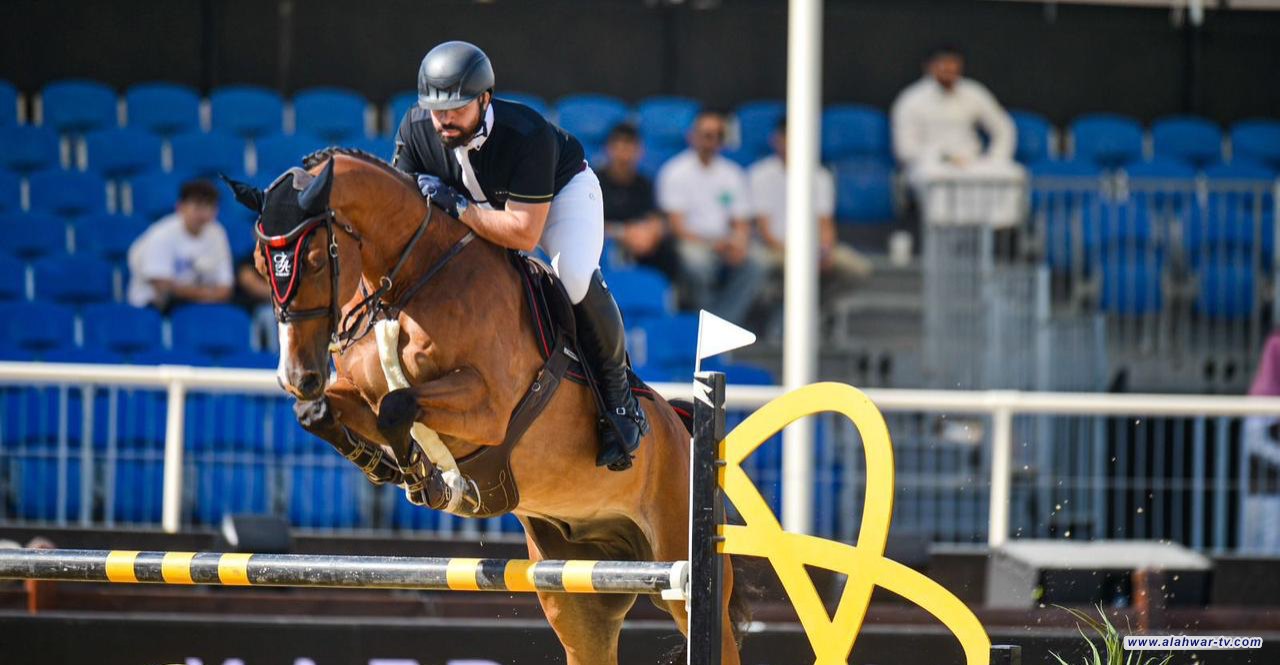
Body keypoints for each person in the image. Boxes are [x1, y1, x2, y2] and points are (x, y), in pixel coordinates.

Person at [392, 41, 645, 470]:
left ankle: (620, 398)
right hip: (483, 206)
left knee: (575, 276)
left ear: (485, 99)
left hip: (558, 198)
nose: (445, 120)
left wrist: (458, 208)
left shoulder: (527, 133)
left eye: (456, 108)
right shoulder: (417, 128)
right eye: (437, 110)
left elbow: (524, 234)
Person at [890, 45, 1025, 228]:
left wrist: (995, 157)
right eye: (943, 67)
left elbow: (1003, 127)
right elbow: (905, 148)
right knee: (935, 180)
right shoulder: (911, 100)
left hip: (971, 162)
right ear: (930, 67)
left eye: (953, 67)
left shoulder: (974, 92)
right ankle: (944, 238)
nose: (949, 72)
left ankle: (997, 235)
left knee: (1012, 174)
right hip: (932, 164)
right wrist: (943, 157)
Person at [655, 109, 767, 325]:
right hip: (691, 241)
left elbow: (741, 220)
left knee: (758, 263)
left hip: (725, 241)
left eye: (717, 136)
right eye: (707, 135)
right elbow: (677, 226)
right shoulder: (675, 171)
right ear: (692, 136)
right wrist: (713, 244)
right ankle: (704, 325)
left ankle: (723, 323)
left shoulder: (733, 174)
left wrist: (738, 242)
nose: (711, 141)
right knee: (698, 263)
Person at [748, 117, 873, 288]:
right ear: (776, 140)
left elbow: (825, 224)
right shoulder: (759, 175)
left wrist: (824, 251)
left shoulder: (821, 176)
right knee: (757, 264)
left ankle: (818, 308)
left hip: (811, 251)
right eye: (786, 137)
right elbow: (764, 229)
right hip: (772, 250)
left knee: (858, 269)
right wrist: (796, 254)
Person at [126, 179, 234, 311]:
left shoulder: (217, 233)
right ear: (180, 207)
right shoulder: (161, 234)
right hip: (153, 306)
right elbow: (162, 286)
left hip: (200, 305)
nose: (204, 214)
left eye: (210, 207)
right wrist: (207, 293)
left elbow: (226, 287)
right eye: (198, 206)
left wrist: (194, 293)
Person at [597, 122, 681, 281]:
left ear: (639, 151)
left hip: (642, 244)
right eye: (618, 147)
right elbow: (588, 223)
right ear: (608, 149)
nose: (623, 154)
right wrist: (624, 233)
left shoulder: (645, 184)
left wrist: (652, 232)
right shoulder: (594, 182)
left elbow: (655, 217)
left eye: (629, 147)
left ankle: (670, 299)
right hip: (607, 242)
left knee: (668, 250)